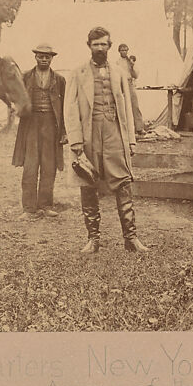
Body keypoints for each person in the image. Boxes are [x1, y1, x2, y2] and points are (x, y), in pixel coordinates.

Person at [64, 27, 148, 254]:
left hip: (114, 133)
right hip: (88, 136)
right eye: (95, 44)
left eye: (103, 44)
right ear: (89, 46)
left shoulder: (119, 73)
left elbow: (127, 108)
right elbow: (70, 108)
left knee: (123, 183)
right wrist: (76, 141)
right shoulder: (78, 73)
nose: (100, 48)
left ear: (110, 46)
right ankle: (93, 239)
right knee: (88, 183)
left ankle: (131, 239)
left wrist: (130, 139)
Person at [11, 43, 66, 218]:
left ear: (52, 58)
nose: (44, 59)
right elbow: (16, 98)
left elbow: (64, 107)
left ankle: (46, 205)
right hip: (31, 125)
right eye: (40, 56)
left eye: (47, 56)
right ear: (35, 57)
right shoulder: (25, 76)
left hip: (51, 124)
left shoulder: (60, 80)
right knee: (30, 166)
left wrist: (64, 132)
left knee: (49, 167)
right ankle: (29, 209)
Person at [117, 42, 146, 134]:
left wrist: (132, 66)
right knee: (123, 106)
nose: (124, 52)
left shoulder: (130, 61)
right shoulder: (117, 62)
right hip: (121, 84)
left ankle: (139, 128)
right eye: (122, 50)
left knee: (135, 106)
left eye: (126, 50)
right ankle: (125, 129)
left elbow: (136, 75)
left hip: (130, 84)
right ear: (119, 51)